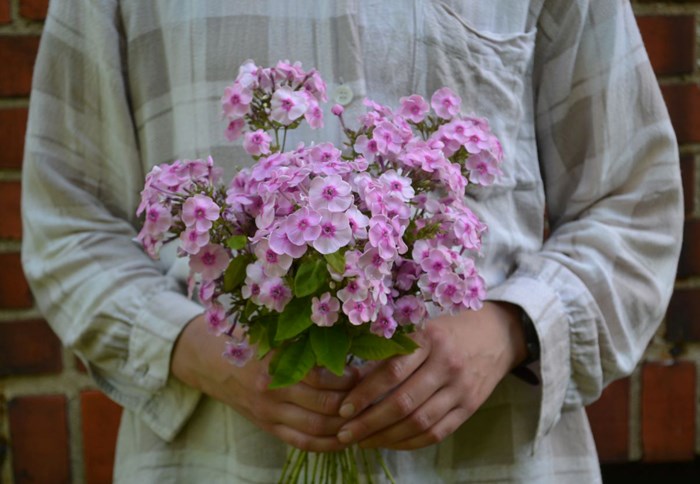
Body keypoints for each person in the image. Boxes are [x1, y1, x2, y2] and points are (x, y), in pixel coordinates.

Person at [22, 1, 683, 482]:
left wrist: (513, 328)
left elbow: (632, 201)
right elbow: (70, 225)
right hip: (217, 461)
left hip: (487, 460)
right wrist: (198, 349)